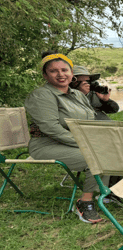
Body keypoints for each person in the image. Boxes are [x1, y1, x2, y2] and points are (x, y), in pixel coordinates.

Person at [25, 51, 109, 224]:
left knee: (113, 149)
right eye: (53, 71)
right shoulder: (42, 95)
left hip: (75, 142)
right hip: (46, 144)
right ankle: (84, 202)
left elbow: (90, 120)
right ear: (45, 75)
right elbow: (51, 128)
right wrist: (87, 144)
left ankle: (108, 193)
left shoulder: (78, 95)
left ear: (72, 74)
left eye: (65, 70)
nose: (61, 74)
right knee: (97, 158)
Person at [70, 65, 123, 204]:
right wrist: (81, 94)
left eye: (89, 80)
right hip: (90, 136)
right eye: (84, 81)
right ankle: (108, 191)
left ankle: (117, 189)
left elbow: (114, 109)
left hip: (105, 132)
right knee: (114, 150)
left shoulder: (94, 93)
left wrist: (105, 100)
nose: (88, 84)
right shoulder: (69, 96)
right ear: (74, 81)